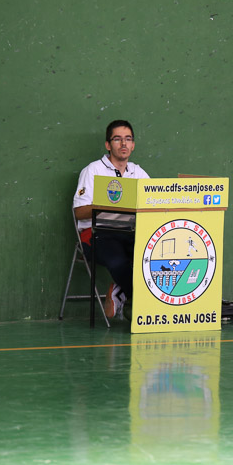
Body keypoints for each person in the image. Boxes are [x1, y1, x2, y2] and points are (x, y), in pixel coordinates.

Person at [73, 120, 149, 319]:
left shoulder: (138, 172)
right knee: (118, 262)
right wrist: (108, 204)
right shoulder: (93, 170)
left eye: (128, 139)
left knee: (155, 254)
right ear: (108, 145)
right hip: (96, 234)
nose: (123, 144)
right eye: (117, 139)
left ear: (133, 145)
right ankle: (144, 304)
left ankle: (119, 290)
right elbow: (79, 212)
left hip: (129, 232)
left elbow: (152, 204)